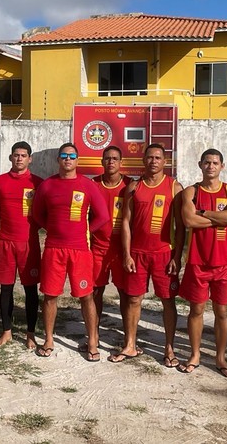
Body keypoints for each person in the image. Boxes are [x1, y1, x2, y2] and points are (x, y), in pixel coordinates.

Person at [31, 143, 109, 360]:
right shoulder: (47, 185)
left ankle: (92, 340)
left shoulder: (88, 185)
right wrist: (54, 229)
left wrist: (84, 230)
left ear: (77, 160)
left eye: (72, 156)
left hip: (80, 250)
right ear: (58, 159)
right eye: (64, 156)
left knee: (86, 296)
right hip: (54, 249)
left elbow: (103, 217)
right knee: (50, 295)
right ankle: (48, 339)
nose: (68, 159)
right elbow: (37, 215)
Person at [114, 143, 184, 365]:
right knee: (134, 298)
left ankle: (169, 348)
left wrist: (177, 256)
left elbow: (181, 227)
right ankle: (130, 344)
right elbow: (125, 222)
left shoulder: (174, 187)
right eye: (150, 157)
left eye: (158, 158)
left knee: (167, 300)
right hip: (138, 254)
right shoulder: (134, 186)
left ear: (165, 162)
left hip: (164, 254)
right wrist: (127, 254)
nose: (153, 161)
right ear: (143, 160)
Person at [178, 149, 227, 377]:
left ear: (222, 166)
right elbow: (188, 220)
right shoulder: (191, 192)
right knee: (196, 309)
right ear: (200, 165)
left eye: (215, 162)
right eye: (207, 162)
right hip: (198, 261)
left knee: (222, 312)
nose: (211, 166)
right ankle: (195, 354)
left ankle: (220, 357)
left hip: (223, 262)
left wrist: (203, 213)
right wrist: (218, 219)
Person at [0, 141, 43, 348]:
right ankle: (7, 331)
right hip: (6, 243)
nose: (19, 158)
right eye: (16, 155)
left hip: (29, 244)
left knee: (30, 290)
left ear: (30, 159)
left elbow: (44, 212)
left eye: (23, 155)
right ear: (10, 158)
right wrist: (7, 223)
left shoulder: (38, 183)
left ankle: (30, 334)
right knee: (6, 289)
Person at [89, 146, 131, 342]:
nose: (111, 162)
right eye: (107, 158)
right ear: (102, 162)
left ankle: (128, 337)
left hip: (122, 250)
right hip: (98, 248)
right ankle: (94, 335)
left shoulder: (130, 186)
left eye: (115, 158)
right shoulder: (93, 184)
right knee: (96, 291)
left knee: (125, 292)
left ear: (121, 162)